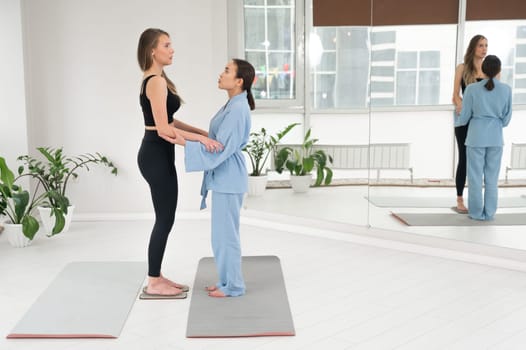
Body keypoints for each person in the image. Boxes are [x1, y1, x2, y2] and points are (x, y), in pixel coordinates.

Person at [136, 28, 222, 298]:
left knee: (165, 218)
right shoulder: (155, 81)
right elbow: (163, 130)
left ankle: (157, 275)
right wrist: (200, 142)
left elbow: (169, 122)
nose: (172, 50)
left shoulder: (159, 80)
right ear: (153, 50)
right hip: (154, 154)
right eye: (167, 45)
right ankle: (153, 281)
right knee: (164, 219)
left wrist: (202, 133)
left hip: (157, 154)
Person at [174, 58, 255, 297]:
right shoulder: (233, 104)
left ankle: (235, 286)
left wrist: (181, 140)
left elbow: (221, 148)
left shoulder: (238, 108)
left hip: (229, 178)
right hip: (225, 177)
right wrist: (191, 136)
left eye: (227, 71)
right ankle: (226, 281)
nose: (221, 74)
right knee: (220, 235)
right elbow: (214, 138)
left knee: (227, 235)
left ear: (239, 81)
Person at [456, 55, 512, 221]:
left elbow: (465, 116)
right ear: (499, 70)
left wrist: (460, 121)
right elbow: (507, 119)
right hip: (495, 138)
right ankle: (489, 213)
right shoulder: (506, 89)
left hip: (475, 137)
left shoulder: (472, 89)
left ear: (484, 70)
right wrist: (494, 123)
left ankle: (476, 213)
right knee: (492, 178)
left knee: (474, 177)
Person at [452, 34, 488, 213]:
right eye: (481, 45)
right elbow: (455, 95)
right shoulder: (462, 68)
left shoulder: (488, 71)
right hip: (463, 120)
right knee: (464, 157)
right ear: (473, 47)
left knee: (478, 160)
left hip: (480, 121)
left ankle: (477, 198)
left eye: (486, 46)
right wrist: (461, 106)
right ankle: (459, 199)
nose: (484, 49)